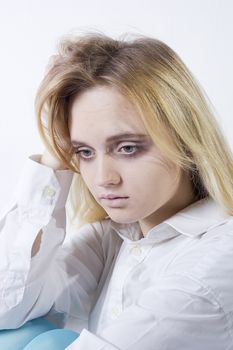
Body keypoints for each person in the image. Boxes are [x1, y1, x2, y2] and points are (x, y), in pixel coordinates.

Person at [0, 31, 233, 350]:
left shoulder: (222, 258)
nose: (102, 179)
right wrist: (54, 156)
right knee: (20, 336)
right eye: (84, 152)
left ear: (184, 139)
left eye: (127, 148)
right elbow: (6, 308)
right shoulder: (113, 237)